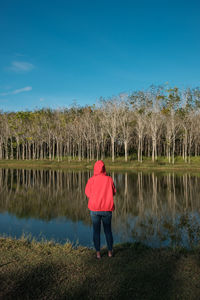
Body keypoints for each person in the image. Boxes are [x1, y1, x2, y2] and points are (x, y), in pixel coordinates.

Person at [85, 160, 116, 259]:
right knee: (108, 231)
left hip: (94, 209)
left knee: (96, 231)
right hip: (107, 209)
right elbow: (114, 192)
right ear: (104, 169)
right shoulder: (109, 179)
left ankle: (98, 253)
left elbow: (88, 193)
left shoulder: (91, 180)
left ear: (95, 169)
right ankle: (110, 252)